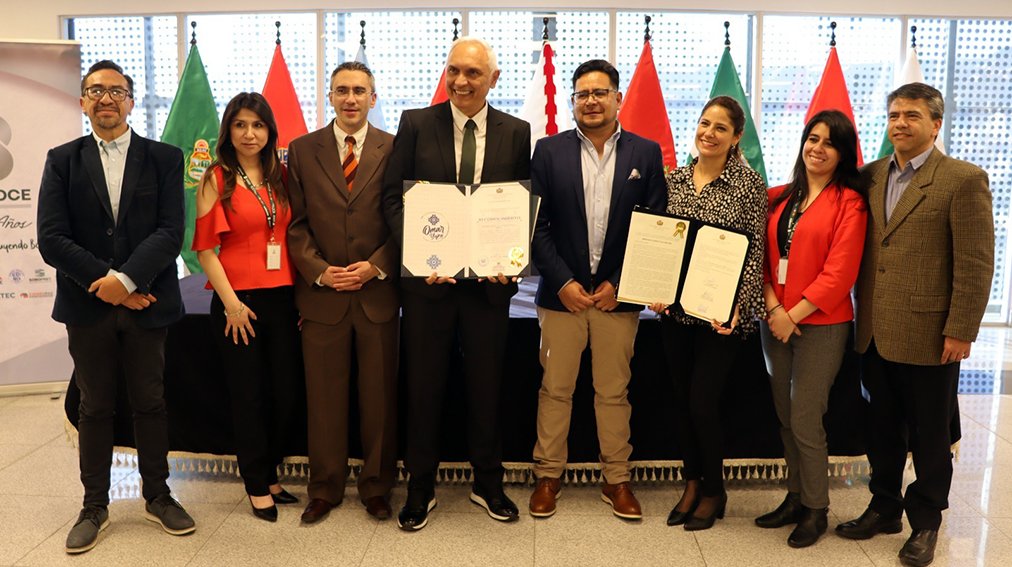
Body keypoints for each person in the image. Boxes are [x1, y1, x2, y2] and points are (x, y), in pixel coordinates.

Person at [37, 59, 195, 553]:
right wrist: (104, 282)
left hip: (148, 302)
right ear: (83, 102)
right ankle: (94, 505)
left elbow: (171, 231)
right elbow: (51, 237)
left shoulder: (165, 157)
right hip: (88, 307)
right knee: (95, 406)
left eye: (116, 90)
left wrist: (126, 279)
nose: (106, 98)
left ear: (131, 99)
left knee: (150, 402)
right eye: (95, 90)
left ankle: (158, 495)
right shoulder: (62, 159)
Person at [837, 82, 994, 567]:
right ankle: (884, 506)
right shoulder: (870, 177)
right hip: (875, 332)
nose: (899, 123)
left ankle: (925, 521)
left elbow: (975, 262)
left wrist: (962, 329)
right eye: (893, 115)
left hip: (931, 334)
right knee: (881, 429)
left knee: (929, 435)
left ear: (935, 123)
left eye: (911, 115)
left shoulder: (963, 179)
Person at [382, 36, 531, 531]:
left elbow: (518, 207)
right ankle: (419, 487)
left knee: (487, 388)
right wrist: (423, 257)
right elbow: (393, 201)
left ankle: (488, 482)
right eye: (454, 71)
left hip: (488, 290)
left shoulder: (516, 132)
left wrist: (511, 260)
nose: (461, 81)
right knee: (423, 387)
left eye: (472, 73)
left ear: (493, 78)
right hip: (429, 286)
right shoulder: (416, 124)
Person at [528, 59, 665, 520]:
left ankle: (616, 479)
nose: (591, 100)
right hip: (560, 298)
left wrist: (622, 284)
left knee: (613, 392)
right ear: (572, 102)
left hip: (617, 299)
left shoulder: (645, 154)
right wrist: (562, 281)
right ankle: (549, 475)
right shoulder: (547, 151)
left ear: (618, 98)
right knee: (556, 388)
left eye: (600, 92)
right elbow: (537, 227)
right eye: (582, 94)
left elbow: (655, 228)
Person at [287, 61, 399, 524]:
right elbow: (294, 224)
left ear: (373, 98)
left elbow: (406, 217)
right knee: (325, 399)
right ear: (329, 97)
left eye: (359, 90)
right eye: (341, 91)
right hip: (323, 297)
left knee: (379, 398)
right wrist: (320, 271)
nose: (350, 98)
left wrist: (376, 266)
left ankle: (376, 487)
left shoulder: (395, 148)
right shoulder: (301, 149)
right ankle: (325, 488)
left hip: (376, 296)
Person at [653, 95, 766, 531]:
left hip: (721, 317)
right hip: (675, 314)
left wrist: (742, 307)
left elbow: (755, 250)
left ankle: (716, 489)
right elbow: (662, 243)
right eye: (704, 123)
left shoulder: (748, 185)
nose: (709, 133)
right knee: (682, 402)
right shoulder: (674, 180)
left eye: (721, 127)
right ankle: (692, 482)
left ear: (737, 137)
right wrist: (656, 289)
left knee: (703, 403)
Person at [755, 110, 867, 547]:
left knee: (805, 417)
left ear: (842, 153)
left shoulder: (850, 203)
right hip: (775, 320)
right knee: (784, 414)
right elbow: (761, 259)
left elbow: (840, 274)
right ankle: (795, 497)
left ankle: (817, 510)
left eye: (829, 142)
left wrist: (791, 314)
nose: (817, 148)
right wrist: (772, 307)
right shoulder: (782, 197)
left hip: (819, 324)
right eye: (812, 138)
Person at [192, 92, 301, 523]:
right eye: (240, 125)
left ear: (271, 131)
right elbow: (205, 249)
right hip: (239, 304)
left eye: (257, 125)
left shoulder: (283, 176)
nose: (249, 133)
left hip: (284, 298)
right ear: (228, 131)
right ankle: (256, 483)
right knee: (248, 396)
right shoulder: (215, 179)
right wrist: (232, 304)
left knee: (285, 393)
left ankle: (271, 473)